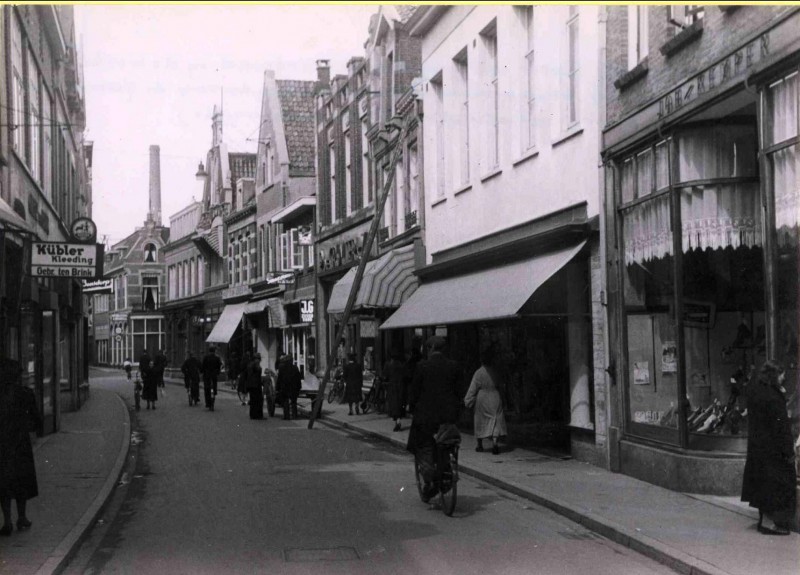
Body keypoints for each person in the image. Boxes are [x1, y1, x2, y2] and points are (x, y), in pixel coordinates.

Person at [741, 360, 796, 535]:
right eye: (781, 375)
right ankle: (768, 524)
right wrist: (789, 452)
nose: (783, 378)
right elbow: (782, 428)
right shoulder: (774, 397)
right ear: (774, 376)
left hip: (759, 449)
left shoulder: (757, 392)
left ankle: (764, 520)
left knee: (762, 486)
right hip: (774, 452)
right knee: (776, 487)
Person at [406, 335, 462, 502]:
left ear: (429, 349)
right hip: (448, 417)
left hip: (426, 417)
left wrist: (410, 406)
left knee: (422, 445)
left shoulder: (422, 366)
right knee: (446, 444)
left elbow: (414, 392)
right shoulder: (454, 366)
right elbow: (459, 391)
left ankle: (429, 477)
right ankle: (446, 472)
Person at [0, 358, 42, 536]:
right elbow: (36, 420)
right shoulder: (25, 393)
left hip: (2, 444)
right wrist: (31, 429)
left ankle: (7, 520)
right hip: (20, 443)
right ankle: (22, 517)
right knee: (22, 480)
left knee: (4, 482)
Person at [464, 343, 508, 455]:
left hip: (482, 398)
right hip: (495, 396)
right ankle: (495, 442)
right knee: (496, 420)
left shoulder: (479, 373)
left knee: (480, 420)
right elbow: (501, 384)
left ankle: (479, 444)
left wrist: (468, 400)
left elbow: (473, 388)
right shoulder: (495, 371)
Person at [383, 346, 407, 432]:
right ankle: (398, 420)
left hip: (392, 386)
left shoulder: (388, 364)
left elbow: (385, 376)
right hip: (401, 386)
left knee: (393, 404)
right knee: (400, 403)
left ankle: (397, 421)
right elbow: (405, 376)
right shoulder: (402, 364)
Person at [276, 354, 302, 420]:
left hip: (285, 388)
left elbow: (279, 378)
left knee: (285, 402)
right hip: (293, 388)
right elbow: (298, 378)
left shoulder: (282, 368)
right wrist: (299, 387)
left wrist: (277, 387)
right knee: (294, 402)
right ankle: (294, 415)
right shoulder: (295, 368)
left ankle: (286, 416)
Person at [202, 346, 222, 411]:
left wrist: (203, 372)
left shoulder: (206, 357)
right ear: (214, 351)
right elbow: (219, 366)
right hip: (214, 375)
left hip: (207, 375)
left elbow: (203, 366)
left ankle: (208, 403)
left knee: (207, 389)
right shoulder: (217, 358)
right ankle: (214, 395)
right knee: (214, 386)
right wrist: (218, 372)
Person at [247, 353, 265, 420]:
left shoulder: (250, 364)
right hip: (256, 385)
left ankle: (253, 415)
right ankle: (258, 415)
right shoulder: (256, 364)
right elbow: (257, 374)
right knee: (258, 400)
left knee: (253, 400)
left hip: (251, 384)